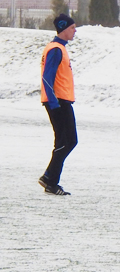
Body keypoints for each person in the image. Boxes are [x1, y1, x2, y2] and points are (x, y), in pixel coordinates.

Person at [38, 14, 78, 196]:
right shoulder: (55, 49)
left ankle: (49, 178)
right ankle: (50, 181)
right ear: (63, 29)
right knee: (66, 141)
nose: (75, 31)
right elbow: (47, 77)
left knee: (68, 141)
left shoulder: (59, 48)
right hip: (58, 101)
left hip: (62, 100)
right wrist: (54, 103)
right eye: (72, 27)